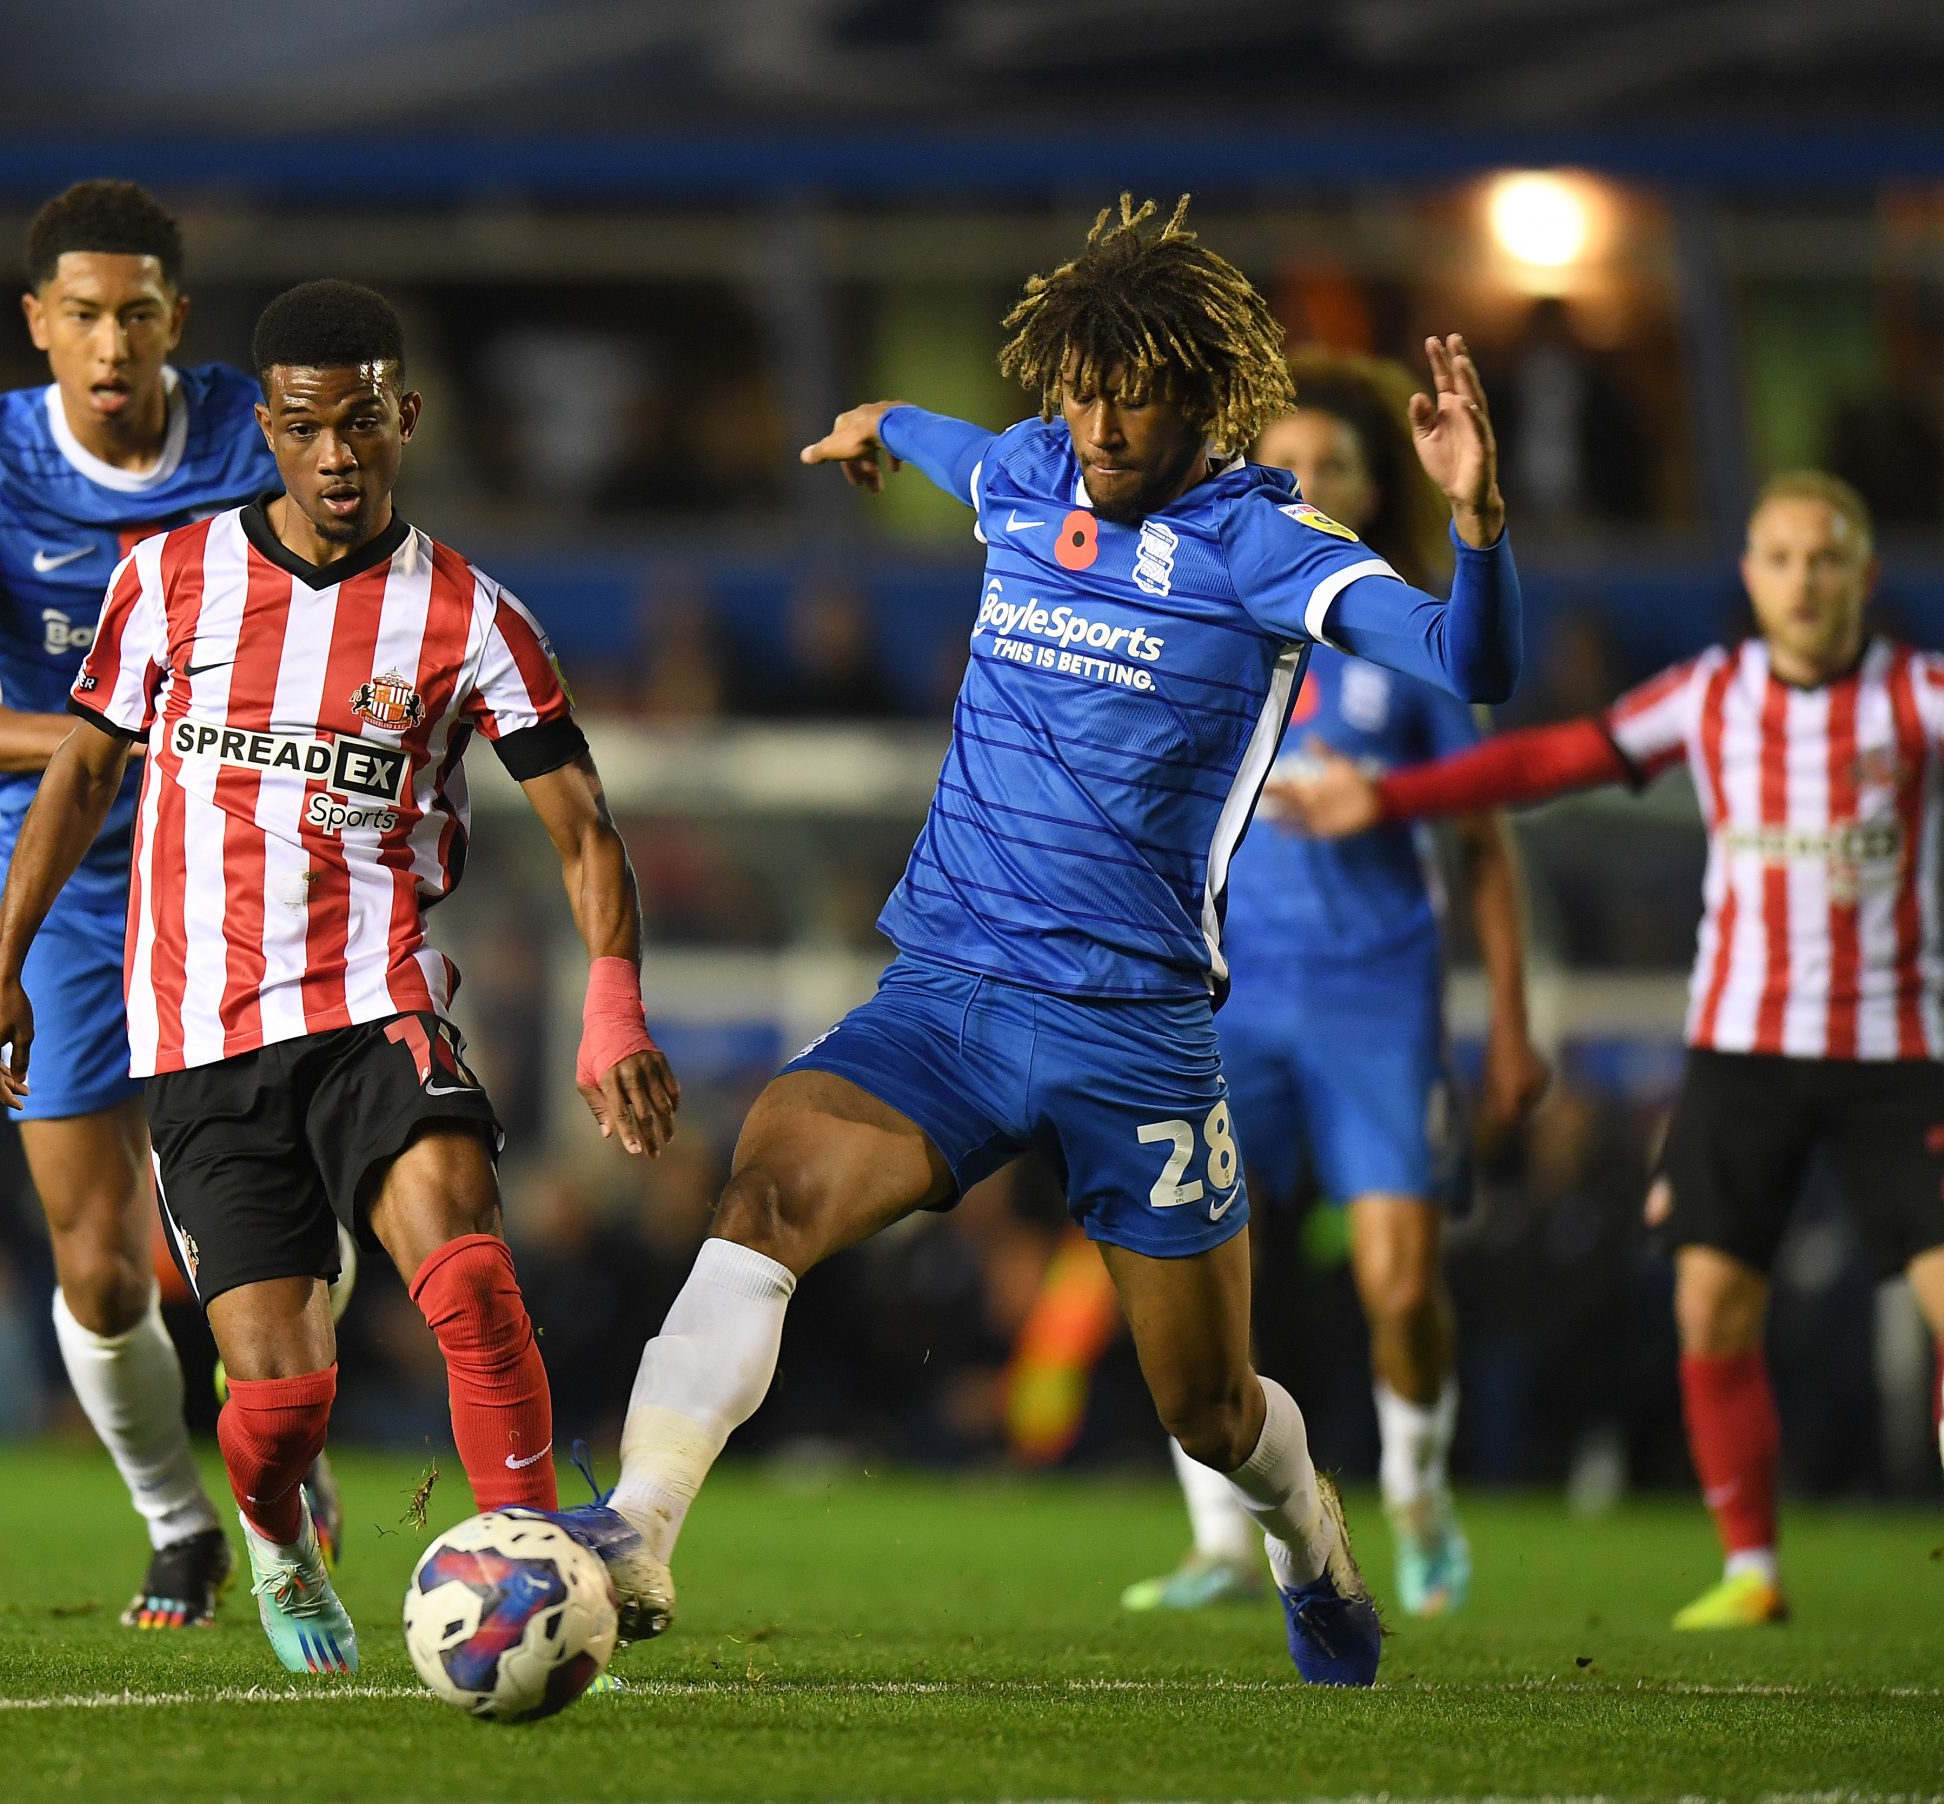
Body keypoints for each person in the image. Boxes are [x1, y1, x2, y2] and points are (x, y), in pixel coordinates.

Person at [547, 196, 1523, 1689]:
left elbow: (1477, 665)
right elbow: (952, 440)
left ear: (1201, 392)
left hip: (1133, 1028)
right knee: (766, 1187)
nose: (1094, 421)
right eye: (1075, 386)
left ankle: (1312, 1542)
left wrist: (1476, 523)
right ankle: (639, 1527)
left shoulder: (1263, 544)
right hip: (945, 990)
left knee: (1205, 1406)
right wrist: (876, 418)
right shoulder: (1029, 468)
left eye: (1128, 390)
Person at [0, 279, 680, 1674]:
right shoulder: (169, 582)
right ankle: (279, 1536)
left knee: (469, 1279)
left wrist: (612, 1007)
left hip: (378, 1005)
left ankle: (531, 1567)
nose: (337, 454)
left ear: (405, 418)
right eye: (304, 427)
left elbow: (584, 828)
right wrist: (7, 971)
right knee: (281, 1404)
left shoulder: (473, 617)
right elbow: (81, 774)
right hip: (202, 1035)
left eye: (362, 423)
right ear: (270, 434)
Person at [1269, 470, 1944, 1632]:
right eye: (1779, 558)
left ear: (1864, 577)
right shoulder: (1712, 693)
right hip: (1742, 1053)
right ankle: (1751, 1568)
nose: (1802, 581)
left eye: (1824, 559)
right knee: (1708, 1310)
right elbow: (1548, 762)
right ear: (1748, 575)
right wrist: (1387, 801)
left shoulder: (1921, 698)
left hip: (1900, 1054)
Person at [0, 181, 330, 1630]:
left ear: (176, 323)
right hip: (67, 891)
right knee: (98, 1261)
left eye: (138, 312)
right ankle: (174, 1518)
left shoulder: (256, 439)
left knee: (279, 1217)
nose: (111, 340)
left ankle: (288, 1451)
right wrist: (102, 734)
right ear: (38, 325)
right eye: (81, 314)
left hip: (243, 874)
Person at [1122, 353, 1548, 1619]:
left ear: (1374, 492)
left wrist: (1514, 1020)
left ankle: (1416, 1493)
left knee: (1400, 1283)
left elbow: (1480, 839)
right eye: (1288, 462)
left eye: (1339, 466)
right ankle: (1219, 1535)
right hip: (1229, 1000)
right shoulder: (1212, 626)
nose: (1309, 484)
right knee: (1182, 1264)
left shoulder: (1401, 641)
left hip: (1375, 1003)